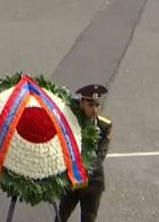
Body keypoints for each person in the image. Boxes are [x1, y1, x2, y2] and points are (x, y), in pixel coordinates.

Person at [57, 85, 112, 222]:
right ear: (81, 103)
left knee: (88, 219)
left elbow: (100, 154)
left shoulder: (104, 126)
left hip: (92, 182)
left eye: (97, 105)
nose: (94, 109)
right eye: (90, 105)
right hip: (72, 180)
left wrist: (83, 168)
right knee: (61, 216)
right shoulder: (72, 120)